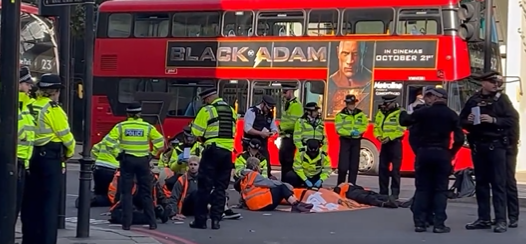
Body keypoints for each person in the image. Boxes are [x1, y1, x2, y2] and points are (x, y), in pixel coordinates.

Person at [459, 71, 519, 233]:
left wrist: (494, 120)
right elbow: (461, 120)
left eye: (497, 82)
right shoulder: (474, 99)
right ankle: (483, 218)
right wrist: (468, 121)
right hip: (479, 146)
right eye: (492, 82)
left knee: (499, 183)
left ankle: (501, 220)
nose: (496, 85)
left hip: (496, 145)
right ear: (483, 83)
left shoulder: (502, 100)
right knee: (482, 184)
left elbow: (513, 119)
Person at [399, 87, 464, 233]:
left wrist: (404, 111)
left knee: (422, 188)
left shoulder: (423, 112)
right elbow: (460, 138)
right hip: (442, 154)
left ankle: (420, 223)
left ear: (435, 98)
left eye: (430, 96)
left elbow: (405, 122)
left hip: (424, 153)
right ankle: (439, 224)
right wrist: (451, 152)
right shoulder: (451, 114)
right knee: (440, 189)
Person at [21, 74, 76, 244]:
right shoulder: (53, 109)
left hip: (31, 156)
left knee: (30, 203)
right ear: (56, 91)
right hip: (49, 159)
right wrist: (69, 152)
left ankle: (30, 239)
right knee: (49, 205)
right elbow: (66, 136)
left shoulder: (30, 105)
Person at [104, 102, 166, 230]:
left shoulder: (121, 126)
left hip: (127, 160)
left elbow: (108, 142)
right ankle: (152, 222)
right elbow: (161, 142)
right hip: (143, 161)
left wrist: (118, 154)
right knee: (146, 193)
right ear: (139, 113)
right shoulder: (147, 127)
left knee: (126, 193)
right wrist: (152, 154)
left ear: (128, 114)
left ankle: (126, 224)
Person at [190, 88, 236, 230]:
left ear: (208, 98)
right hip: (227, 153)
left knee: (204, 187)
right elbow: (233, 131)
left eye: (204, 100)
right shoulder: (231, 110)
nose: (204, 102)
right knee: (221, 188)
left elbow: (196, 132)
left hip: (212, 151)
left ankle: (201, 221)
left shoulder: (207, 110)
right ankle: (216, 221)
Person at [166, 156, 241, 221]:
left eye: (195, 165)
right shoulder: (182, 179)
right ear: (188, 166)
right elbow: (174, 197)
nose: (193, 167)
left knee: (217, 190)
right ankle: (215, 212)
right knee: (198, 193)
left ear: (199, 166)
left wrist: (224, 197)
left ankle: (225, 210)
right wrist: (173, 214)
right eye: (191, 164)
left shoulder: (204, 178)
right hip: (187, 206)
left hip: (201, 204)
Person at [235, 157, 313, 212]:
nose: (260, 168)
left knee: (279, 188)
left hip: (253, 204)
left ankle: (297, 203)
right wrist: (287, 185)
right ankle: (296, 204)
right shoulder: (255, 175)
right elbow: (271, 183)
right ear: (256, 166)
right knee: (281, 187)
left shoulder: (244, 177)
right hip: (261, 203)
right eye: (259, 166)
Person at [373, 95, 405, 199]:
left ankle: (395, 193)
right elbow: (376, 126)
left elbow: (401, 129)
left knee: (395, 170)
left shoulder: (400, 113)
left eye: (387, 104)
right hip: (384, 144)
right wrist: (378, 136)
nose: (385, 106)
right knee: (382, 168)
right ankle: (383, 192)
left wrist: (389, 137)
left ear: (392, 103)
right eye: (384, 104)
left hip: (395, 143)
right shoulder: (381, 113)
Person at [328, 40, 372, 115]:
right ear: (338, 52)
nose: (350, 61)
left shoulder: (372, 82)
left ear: (363, 53)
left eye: (355, 54)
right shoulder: (329, 83)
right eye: (345, 54)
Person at [16, 66, 36, 219]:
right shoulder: (13, 105)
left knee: (16, 206)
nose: (30, 87)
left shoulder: (27, 106)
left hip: (23, 163)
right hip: (12, 162)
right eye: (27, 84)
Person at [335, 94, 368, 185]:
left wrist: (359, 131)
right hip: (345, 140)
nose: (352, 105)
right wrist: (350, 133)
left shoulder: (360, 114)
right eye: (350, 104)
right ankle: (340, 184)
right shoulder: (341, 115)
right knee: (343, 166)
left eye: (353, 103)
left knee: (354, 165)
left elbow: (364, 125)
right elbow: (339, 129)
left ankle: (352, 185)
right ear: (346, 104)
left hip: (356, 141)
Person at [243, 95, 278, 177]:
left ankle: (266, 177)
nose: (268, 110)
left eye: (270, 108)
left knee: (265, 161)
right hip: (250, 143)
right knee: (250, 161)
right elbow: (247, 129)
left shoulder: (269, 115)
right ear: (263, 104)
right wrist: (261, 133)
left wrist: (272, 132)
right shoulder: (252, 112)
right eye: (267, 108)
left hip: (262, 143)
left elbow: (274, 128)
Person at [279, 83, 303, 179]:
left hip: (291, 138)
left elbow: (294, 123)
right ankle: (284, 181)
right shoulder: (288, 104)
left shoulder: (296, 105)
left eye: (285, 92)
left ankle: (287, 183)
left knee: (288, 162)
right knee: (283, 160)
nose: (283, 95)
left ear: (291, 91)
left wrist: (281, 127)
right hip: (285, 137)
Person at [87, 139, 120, 207]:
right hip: (111, 169)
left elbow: (94, 149)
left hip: (98, 167)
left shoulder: (106, 140)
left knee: (99, 191)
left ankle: (88, 199)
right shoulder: (121, 143)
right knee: (110, 195)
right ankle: (93, 200)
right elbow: (120, 156)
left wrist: (99, 158)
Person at [333, 183, 398, 208]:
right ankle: (391, 201)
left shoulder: (334, 190)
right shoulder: (345, 185)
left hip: (351, 192)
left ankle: (386, 203)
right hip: (354, 190)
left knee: (369, 197)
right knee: (372, 195)